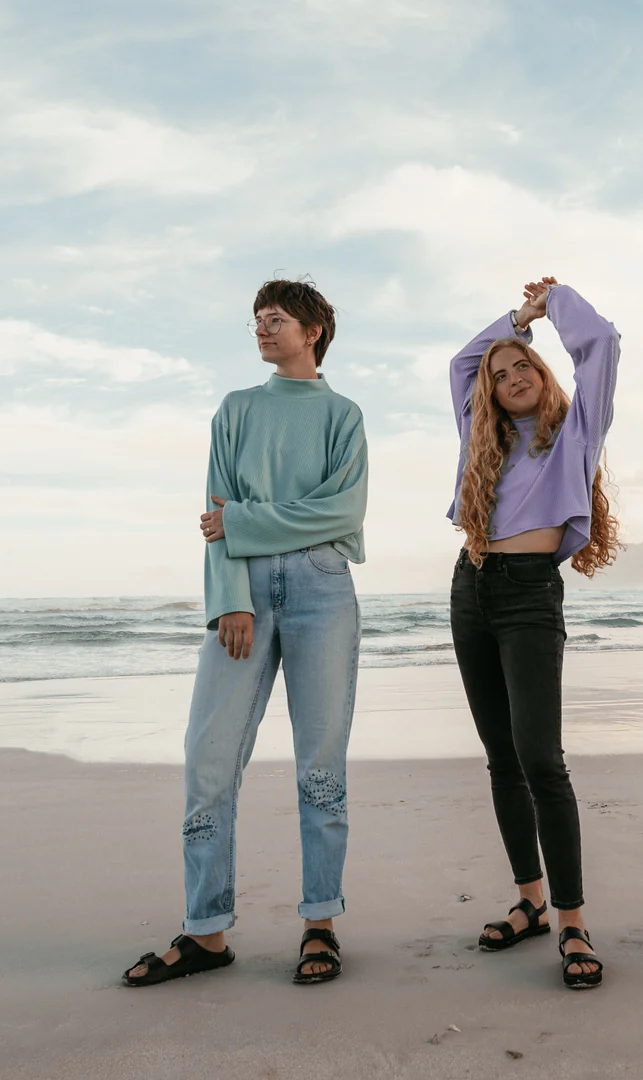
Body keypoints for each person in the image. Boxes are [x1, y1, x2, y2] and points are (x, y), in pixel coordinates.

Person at [122, 278, 368, 987]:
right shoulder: (234, 410)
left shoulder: (343, 415)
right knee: (208, 760)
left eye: (277, 318)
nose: (263, 328)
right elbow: (214, 507)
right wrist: (231, 595)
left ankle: (320, 923)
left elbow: (341, 513)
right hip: (244, 592)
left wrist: (244, 521)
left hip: (324, 590)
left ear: (314, 330)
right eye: (257, 319)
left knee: (320, 768)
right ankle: (206, 931)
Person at [447, 276, 620, 989]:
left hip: (527, 599)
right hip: (471, 589)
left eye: (524, 364)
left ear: (544, 373)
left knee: (541, 760)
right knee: (501, 759)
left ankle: (573, 921)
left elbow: (602, 343)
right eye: (502, 370)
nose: (512, 375)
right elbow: (461, 364)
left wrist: (551, 306)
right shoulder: (481, 435)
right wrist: (509, 320)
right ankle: (530, 901)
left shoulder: (576, 429)